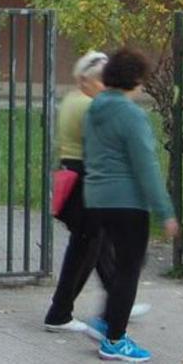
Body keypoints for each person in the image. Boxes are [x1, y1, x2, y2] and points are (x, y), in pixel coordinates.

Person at [43, 52, 150, 340]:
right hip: (86, 179)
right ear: (85, 79)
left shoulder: (74, 100)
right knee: (87, 247)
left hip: (76, 176)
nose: (107, 85)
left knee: (95, 247)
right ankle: (61, 312)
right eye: (102, 79)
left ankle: (112, 304)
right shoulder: (89, 106)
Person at [81, 48, 179, 363]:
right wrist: (165, 211)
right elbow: (146, 166)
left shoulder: (94, 108)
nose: (142, 87)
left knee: (121, 266)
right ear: (133, 79)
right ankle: (114, 339)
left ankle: (106, 321)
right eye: (141, 81)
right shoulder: (131, 115)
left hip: (96, 199)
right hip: (127, 203)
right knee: (128, 271)